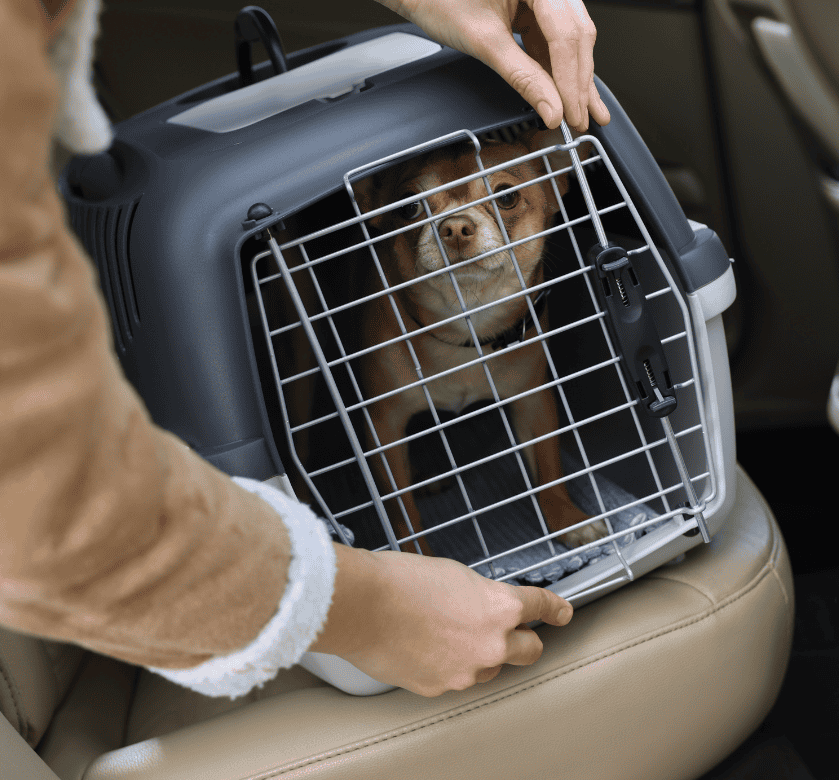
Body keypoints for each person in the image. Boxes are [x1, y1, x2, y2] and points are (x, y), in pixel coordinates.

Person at [0, 0, 610, 700]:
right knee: (332, 395)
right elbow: (52, 512)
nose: (459, 227)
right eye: (419, 210)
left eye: (502, 200)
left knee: (528, 394)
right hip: (177, 584)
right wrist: (374, 609)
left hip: (506, 338)